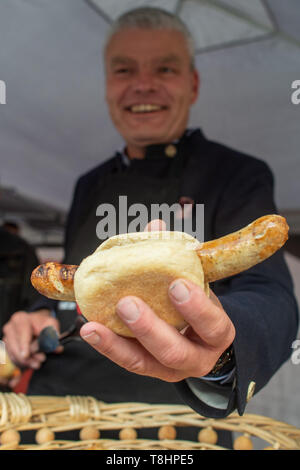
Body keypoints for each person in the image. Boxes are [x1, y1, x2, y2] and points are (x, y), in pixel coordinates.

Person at [2, 7, 298, 440]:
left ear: (192, 84)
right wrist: (39, 313)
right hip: (59, 411)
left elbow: (269, 295)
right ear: (108, 87)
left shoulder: (236, 174)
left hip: (172, 421)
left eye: (165, 67)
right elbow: (79, 292)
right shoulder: (90, 184)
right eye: (124, 69)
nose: (143, 84)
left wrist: (220, 349)